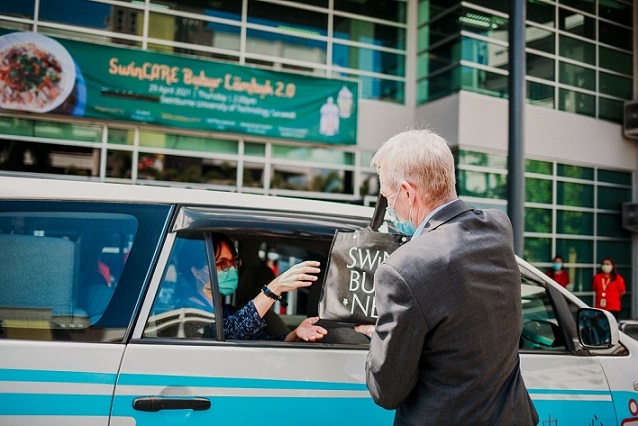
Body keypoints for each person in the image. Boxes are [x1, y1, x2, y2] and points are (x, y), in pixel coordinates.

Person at [354, 129, 538, 425]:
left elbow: (386, 392)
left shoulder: (403, 268)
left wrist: (380, 338)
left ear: (408, 193)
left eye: (389, 197)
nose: (389, 207)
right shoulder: (498, 228)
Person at [175, 233, 328, 342]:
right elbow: (228, 334)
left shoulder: (229, 311)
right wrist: (274, 288)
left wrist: (294, 334)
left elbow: (262, 342)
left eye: (234, 262)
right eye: (222, 263)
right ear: (196, 272)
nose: (232, 269)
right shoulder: (186, 311)